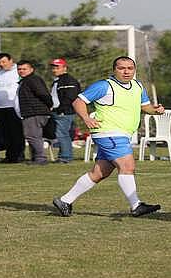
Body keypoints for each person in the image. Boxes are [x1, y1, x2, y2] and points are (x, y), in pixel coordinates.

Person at [52, 56, 164, 217]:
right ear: (114, 70)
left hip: (122, 134)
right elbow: (78, 102)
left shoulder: (138, 86)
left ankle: (65, 200)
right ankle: (136, 205)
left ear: (134, 70)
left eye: (130, 68)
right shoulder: (104, 86)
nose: (126, 71)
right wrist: (86, 118)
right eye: (121, 68)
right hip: (108, 132)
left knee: (99, 173)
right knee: (127, 166)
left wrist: (155, 110)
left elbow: (145, 106)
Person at [17, 60, 53, 165]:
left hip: (35, 112)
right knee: (32, 135)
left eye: (24, 69)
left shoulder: (32, 80)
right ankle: (35, 157)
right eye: (19, 69)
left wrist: (49, 104)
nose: (21, 71)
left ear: (31, 69)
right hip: (32, 112)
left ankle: (40, 158)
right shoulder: (26, 80)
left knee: (32, 136)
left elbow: (43, 94)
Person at [0, 52, 25, 163]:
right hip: (0, 108)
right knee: (6, 134)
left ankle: (19, 156)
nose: (1, 64)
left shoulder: (18, 71)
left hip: (13, 107)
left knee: (16, 133)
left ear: (11, 60)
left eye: (4, 62)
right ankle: (9, 156)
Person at [49, 58, 81, 163]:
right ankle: (63, 156)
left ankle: (66, 157)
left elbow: (71, 97)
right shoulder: (58, 80)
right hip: (57, 111)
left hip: (64, 112)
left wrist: (61, 109)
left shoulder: (68, 80)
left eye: (57, 67)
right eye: (53, 67)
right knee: (61, 134)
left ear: (64, 68)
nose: (54, 70)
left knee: (62, 134)